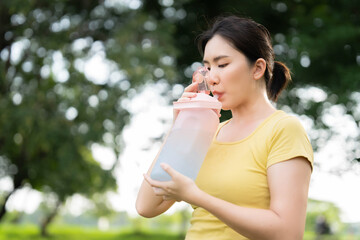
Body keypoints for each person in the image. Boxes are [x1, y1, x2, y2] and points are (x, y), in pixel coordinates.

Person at [136, 15, 313, 240]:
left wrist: (197, 196)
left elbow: (288, 233)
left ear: (257, 68)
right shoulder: (210, 132)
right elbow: (146, 206)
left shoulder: (284, 129)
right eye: (207, 68)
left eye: (222, 65)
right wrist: (179, 127)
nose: (211, 78)